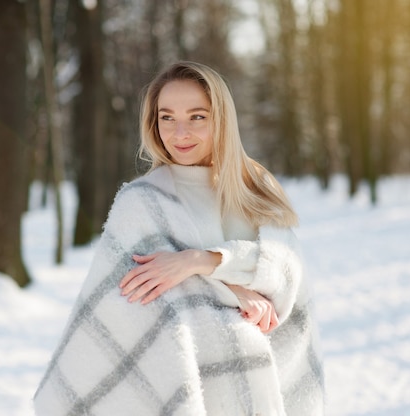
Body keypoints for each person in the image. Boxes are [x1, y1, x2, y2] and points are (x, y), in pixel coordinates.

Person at [34, 61, 324, 415]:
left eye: (197, 117)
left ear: (221, 120)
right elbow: (135, 300)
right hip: (187, 379)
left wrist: (200, 261)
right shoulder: (142, 200)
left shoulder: (256, 187)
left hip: (269, 378)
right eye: (166, 117)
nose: (179, 133)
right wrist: (235, 291)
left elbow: (285, 267)